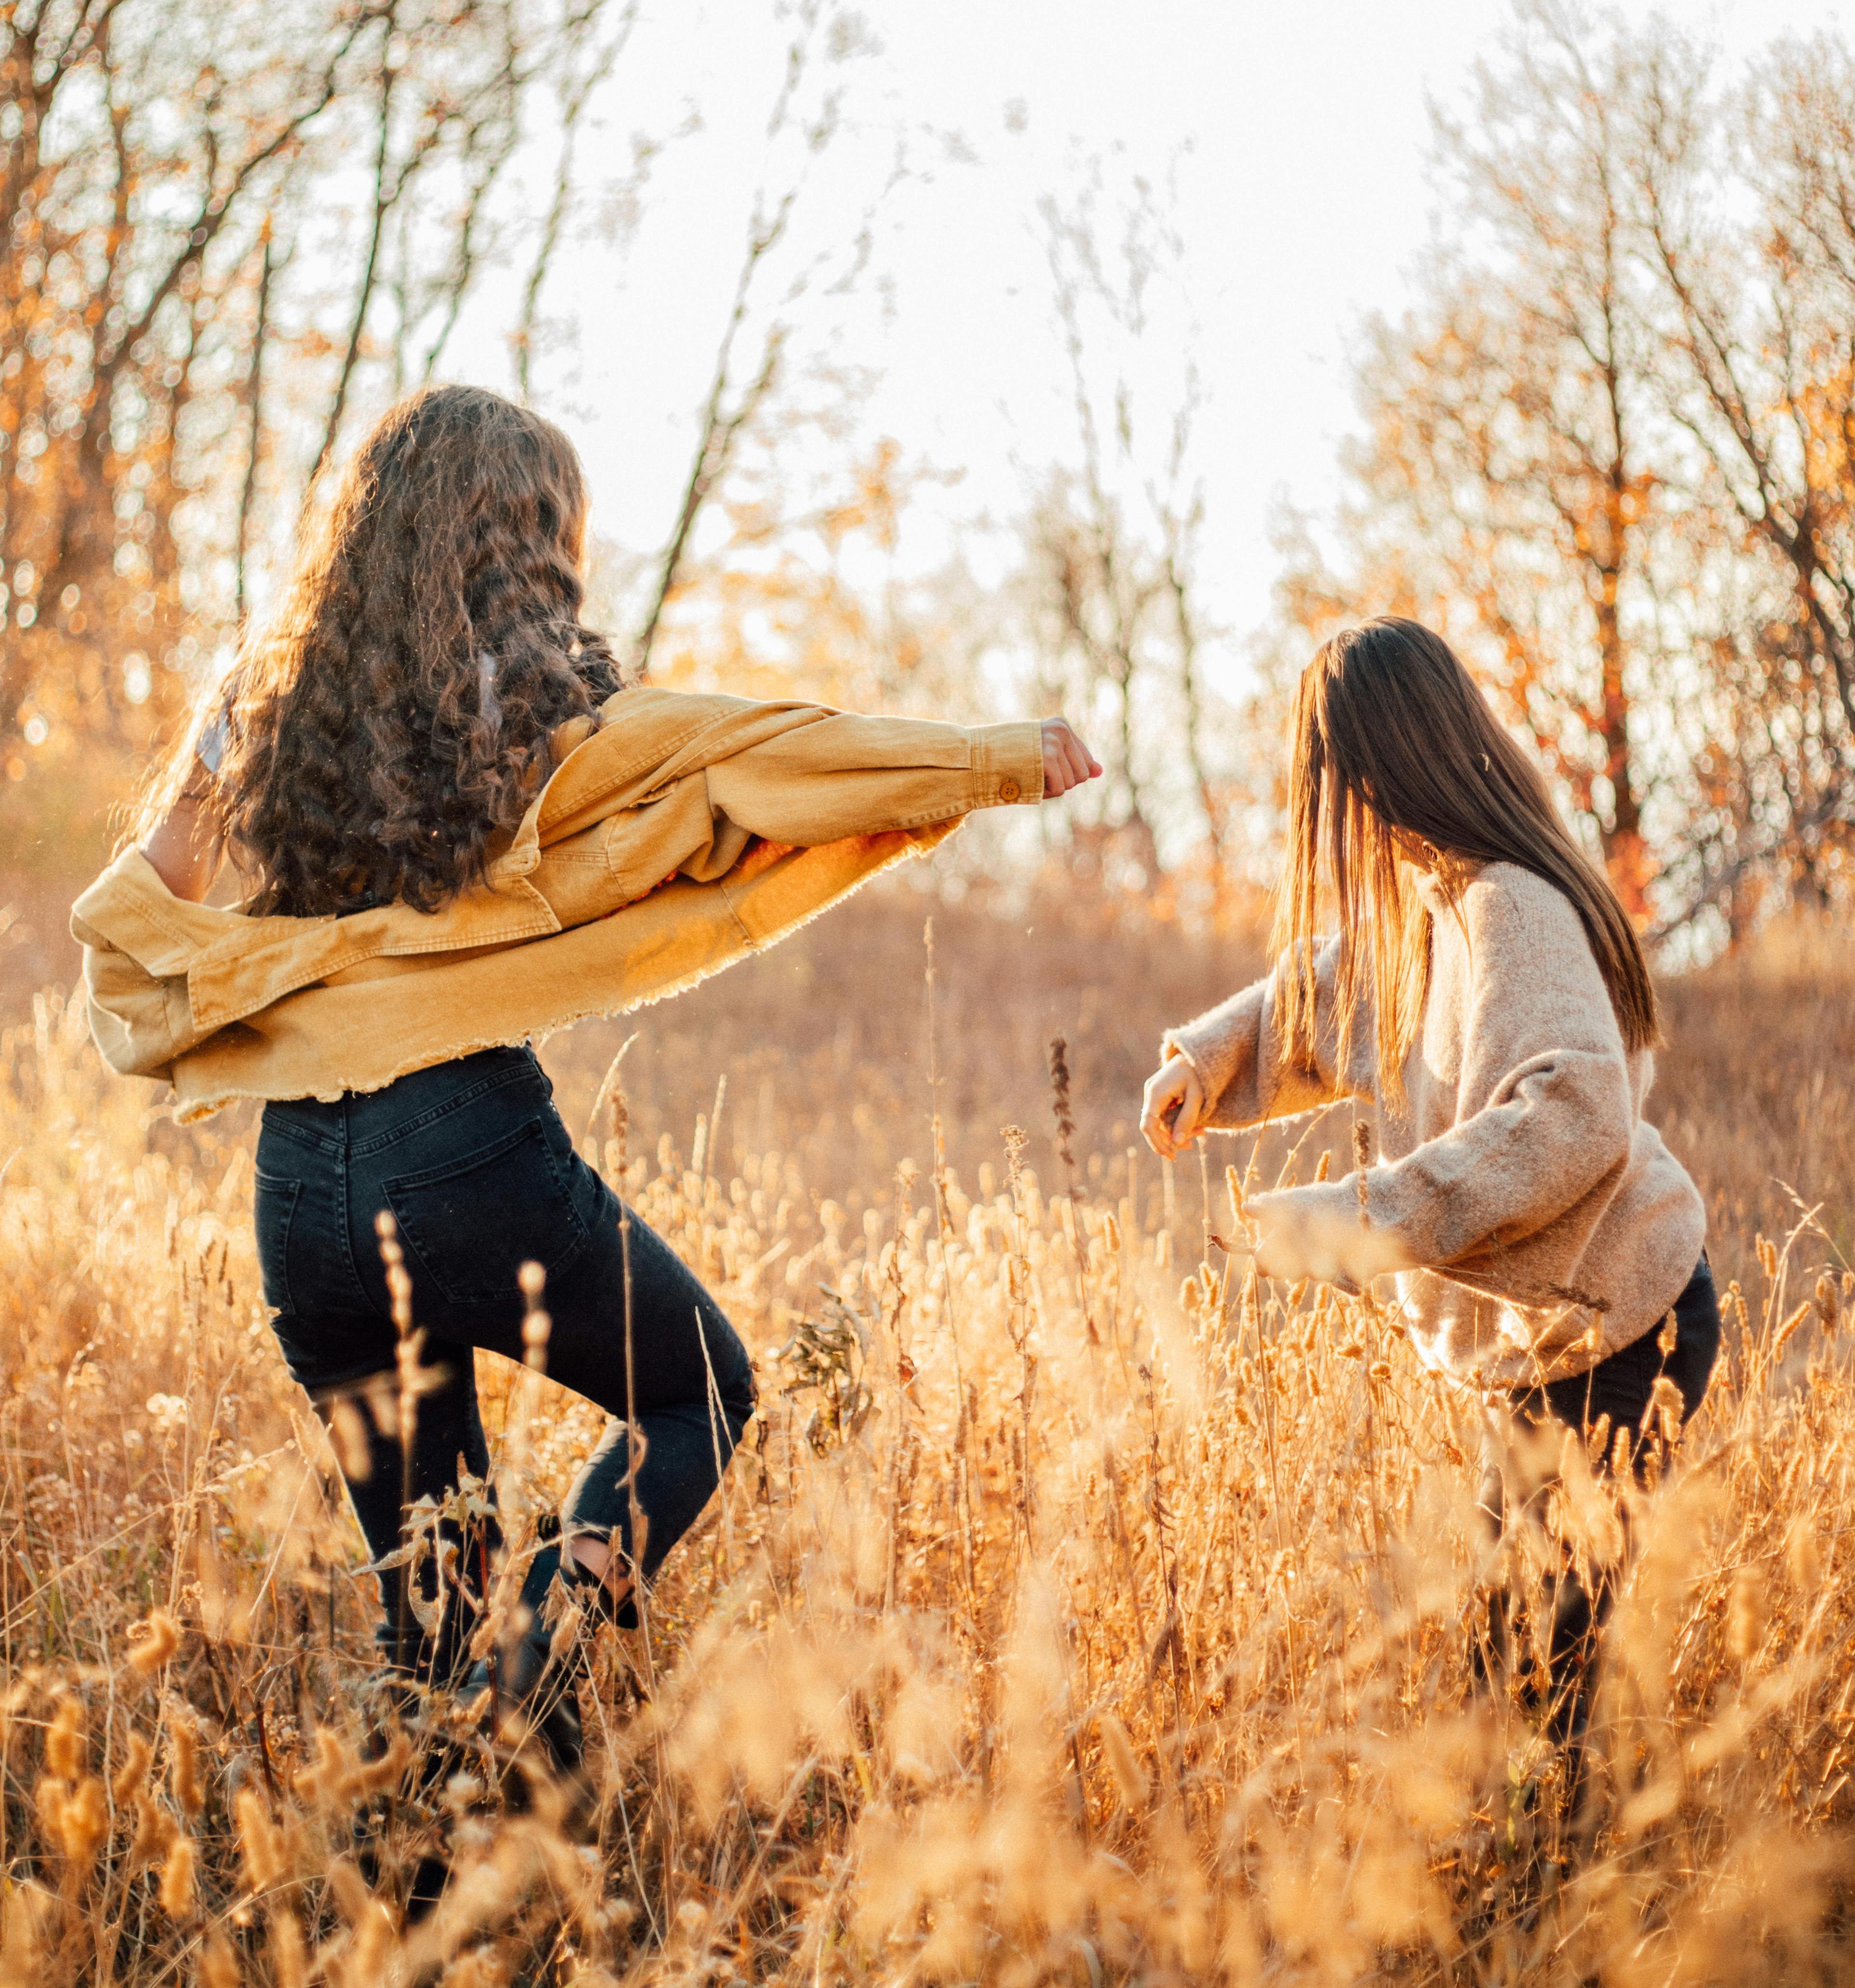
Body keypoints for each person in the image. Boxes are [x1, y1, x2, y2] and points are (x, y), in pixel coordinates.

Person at [75, 384, 1099, 1770]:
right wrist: (995, 761)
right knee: (702, 1396)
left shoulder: (263, 703)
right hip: (458, 1149)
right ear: (528, 545)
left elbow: (147, 906)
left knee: (427, 1614)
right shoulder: (542, 714)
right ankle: (530, 1685)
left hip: (299, 1188)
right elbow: (763, 756)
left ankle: (437, 1886)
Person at [1141, 616, 1714, 1815]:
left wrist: (1359, 1217)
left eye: (1330, 776)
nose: (1324, 808)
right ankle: (1522, 1903)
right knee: (1510, 1665)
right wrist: (1206, 1056)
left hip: (1620, 1331)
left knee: (1535, 1681)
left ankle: (1553, 1929)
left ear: (1385, 764)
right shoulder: (1433, 903)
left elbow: (1575, 1114)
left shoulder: (1511, 909)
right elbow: (1326, 989)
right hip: (1544, 1345)